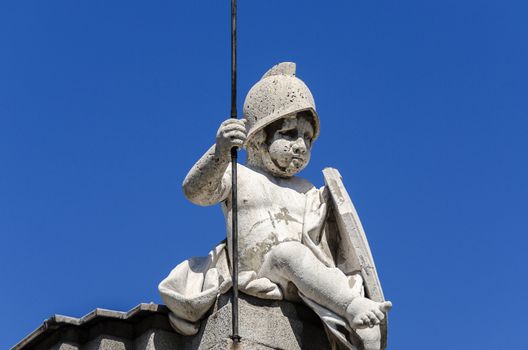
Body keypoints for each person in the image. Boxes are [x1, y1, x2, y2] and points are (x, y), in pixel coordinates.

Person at [159, 62, 391, 349]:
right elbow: (195, 192)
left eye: (308, 137)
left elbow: (327, 247)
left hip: (302, 283)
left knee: (295, 256)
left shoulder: (307, 190)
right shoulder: (237, 174)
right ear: (258, 136)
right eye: (290, 133)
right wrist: (219, 152)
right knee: (287, 254)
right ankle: (353, 307)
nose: (301, 145)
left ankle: (354, 315)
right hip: (263, 271)